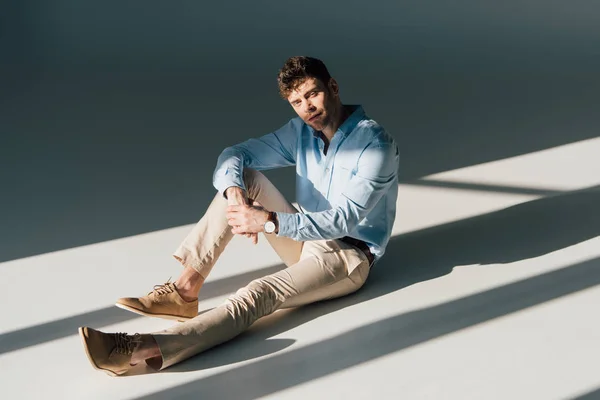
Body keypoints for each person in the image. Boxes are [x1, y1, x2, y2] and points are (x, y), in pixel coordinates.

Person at [78, 56, 400, 376]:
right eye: (297, 101)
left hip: (346, 256)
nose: (307, 108)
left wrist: (269, 221)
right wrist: (236, 196)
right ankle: (184, 292)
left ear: (333, 87)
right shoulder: (300, 132)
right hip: (304, 238)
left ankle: (142, 349)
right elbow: (235, 154)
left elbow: (342, 220)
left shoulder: (375, 144)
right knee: (242, 178)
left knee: (259, 293)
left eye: (313, 94)